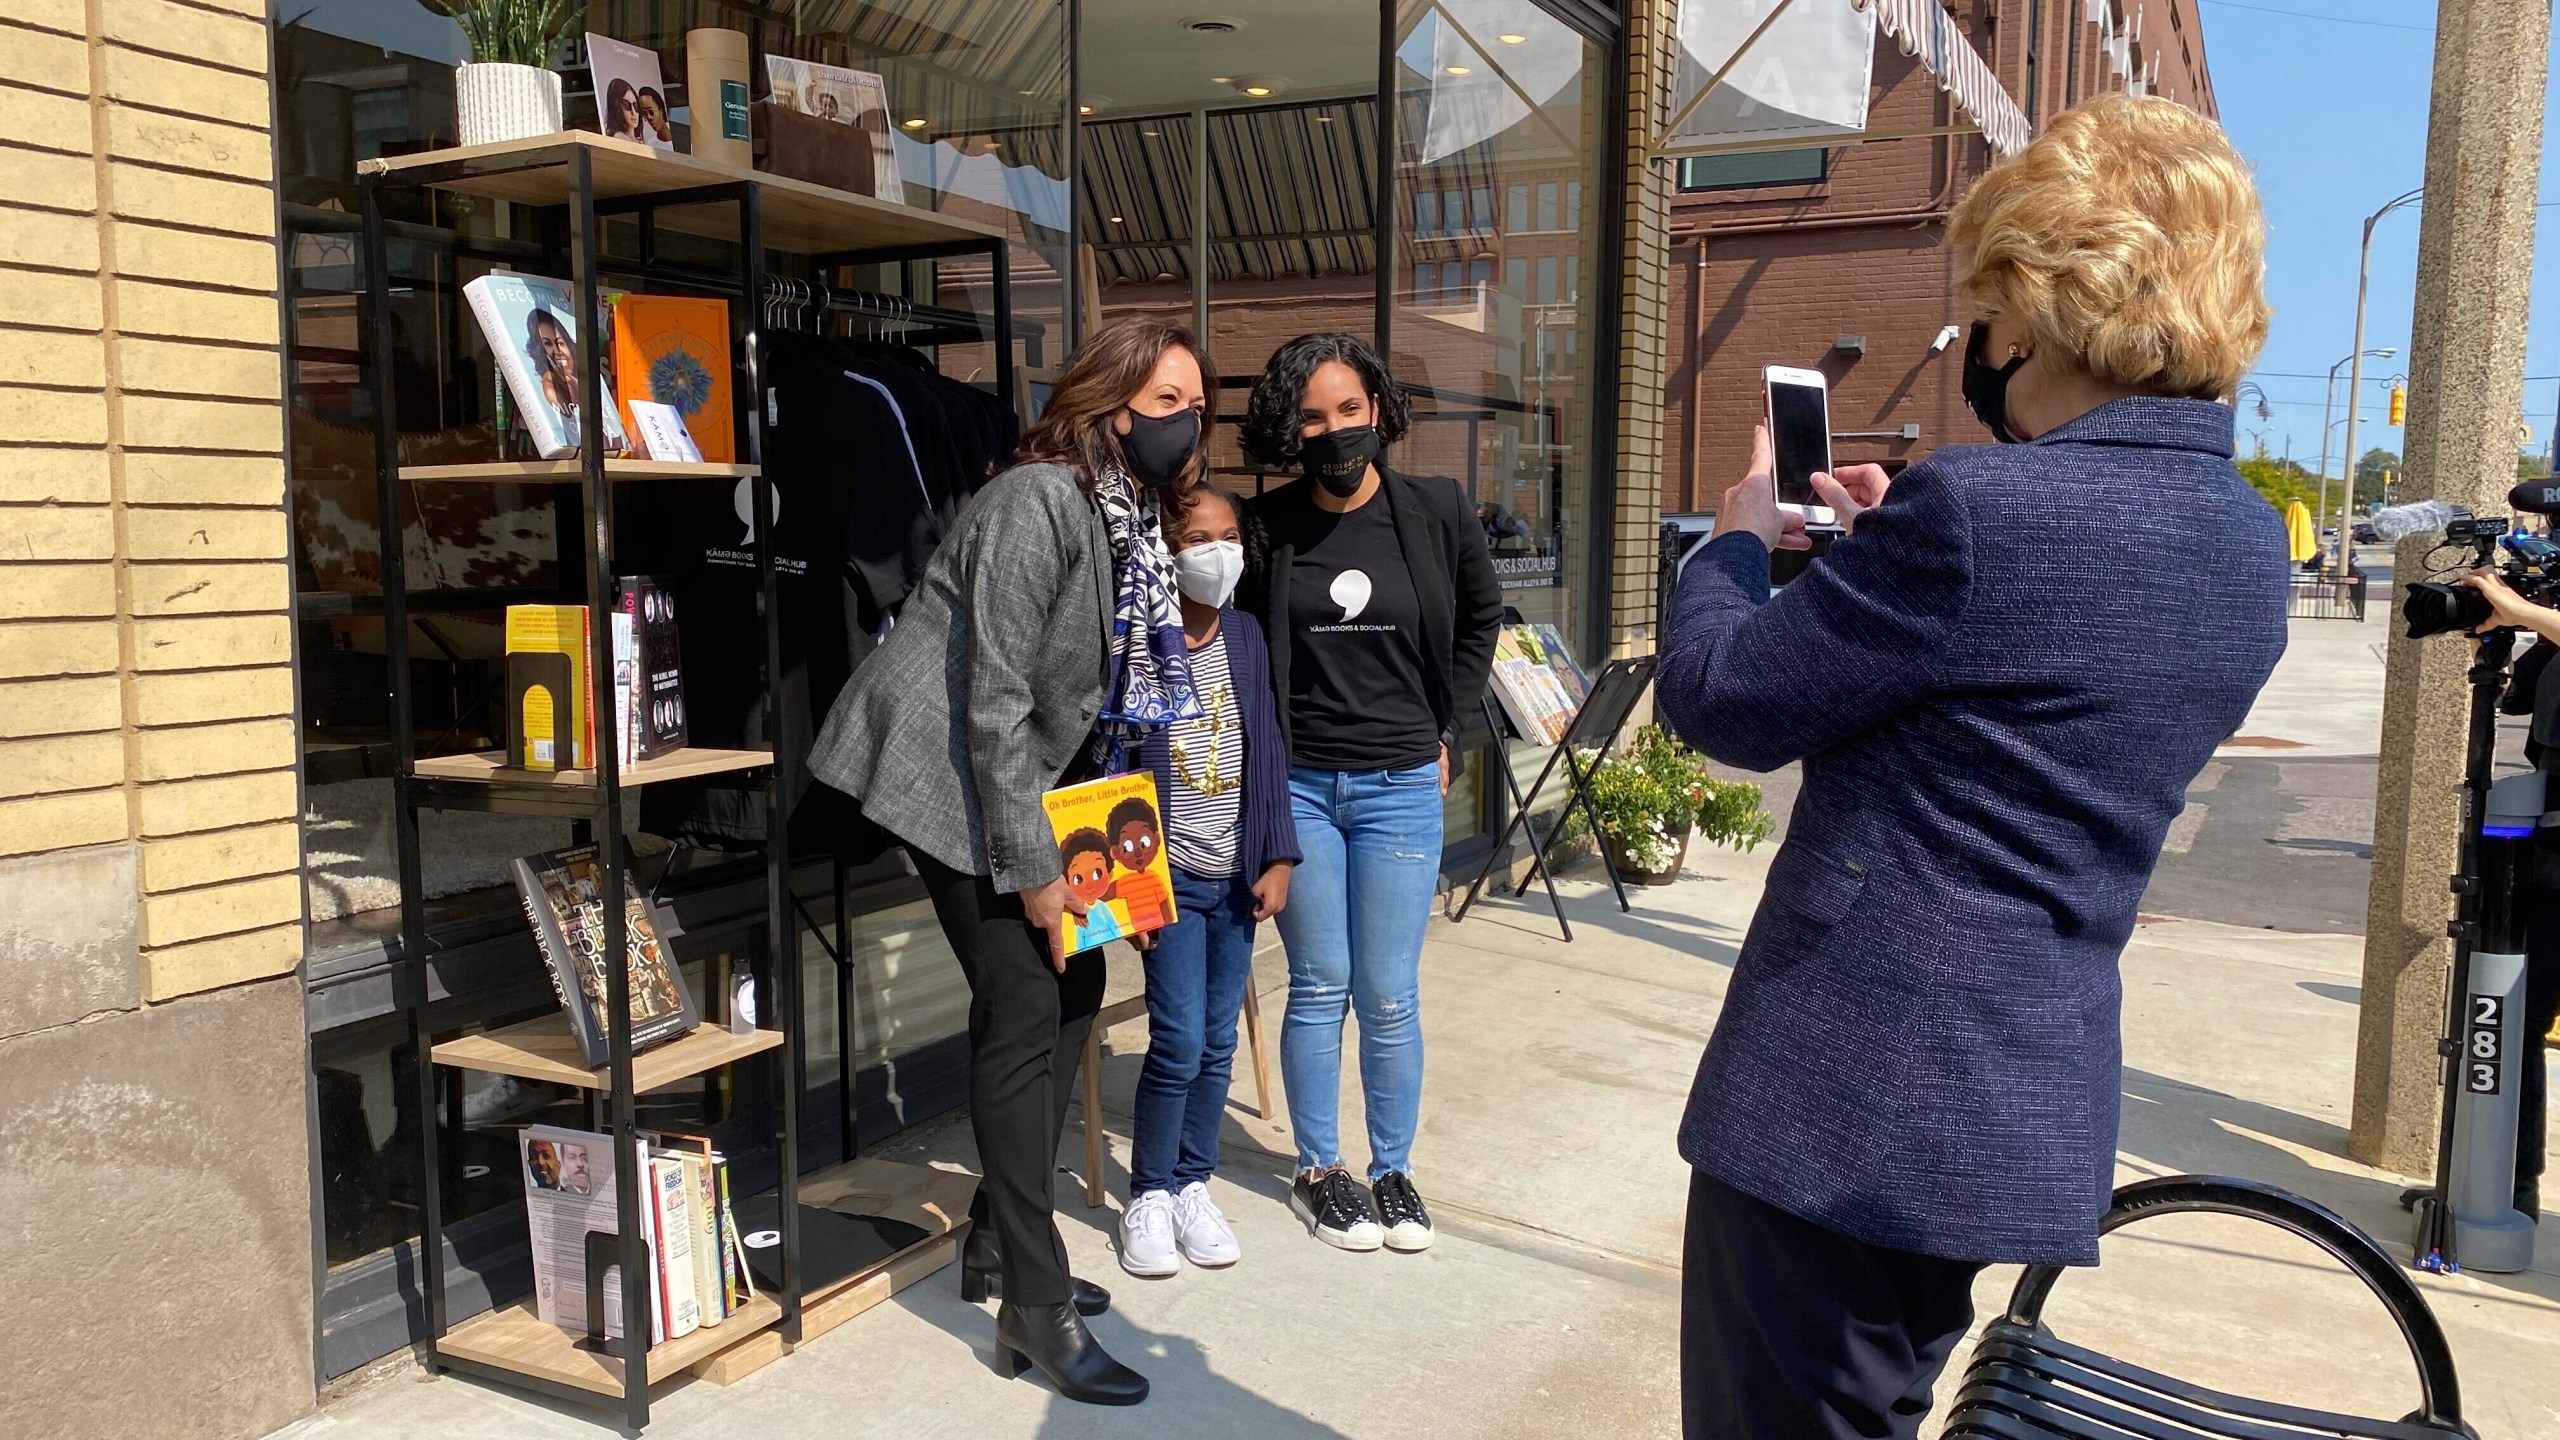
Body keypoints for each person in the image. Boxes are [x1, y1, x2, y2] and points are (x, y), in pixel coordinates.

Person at [1655, 93, 2288, 1439]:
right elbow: (2024, 697)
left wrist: (1726, 546)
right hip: (2011, 1087)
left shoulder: (1981, 516)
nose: (1973, 341)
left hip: (1847, 1104)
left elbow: (1724, 703)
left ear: (2035, 302)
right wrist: (1885, 566)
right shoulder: (2247, 542)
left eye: (1980, 305)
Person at [808, 315, 1218, 1407]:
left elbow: (1090, 717)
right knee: (1024, 1000)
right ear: (1107, 401)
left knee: (1077, 978)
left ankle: (997, 1241)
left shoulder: (1123, 515)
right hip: (942, 771)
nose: (1191, 425)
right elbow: (991, 701)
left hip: (1033, 775)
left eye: (1199, 407)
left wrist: (1116, 872)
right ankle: (1030, 1312)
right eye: (1169, 402)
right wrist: (1038, 873)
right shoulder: (1037, 502)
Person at [1239, 332, 1502, 1255]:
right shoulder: (1267, 527)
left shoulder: (1434, 511)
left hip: (1399, 783)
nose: (1335, 430)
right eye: (1313, 417)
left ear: (1380, 412)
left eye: (1349, 410)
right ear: (1291, 427)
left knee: (1389, 993)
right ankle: (1320, 1171)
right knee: (1319, 985)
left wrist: (1447, 726)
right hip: (1302, 785)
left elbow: (1481, 618)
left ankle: (1393, 1170)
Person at [1119, 484, 1299, 1279]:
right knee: (1180, 1038)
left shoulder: (1250, 637)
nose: (1217, 552)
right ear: (1165, 545)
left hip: (1236, 876)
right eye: (1198, 536)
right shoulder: (1140, 640)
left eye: (1229, 536)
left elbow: (1268, 747)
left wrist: (1279, 855)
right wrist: (1131, 891)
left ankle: (1196, 1182)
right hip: (1167, 878)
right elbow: (1115, 764)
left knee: (1219, 1039)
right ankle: (1148, 1193)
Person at [2452, 568, 2560, 1218]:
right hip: (2547, 833)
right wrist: (2491, 636)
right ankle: (2508, 1184)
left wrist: (2520, 607)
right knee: (2514, 1014)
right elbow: (2519, 700)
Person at [601, 77, 642, 141]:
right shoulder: (619, 137)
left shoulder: (638, 139)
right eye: (627, 105)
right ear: (617, 108)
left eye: (636, 106)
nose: (633, 112)